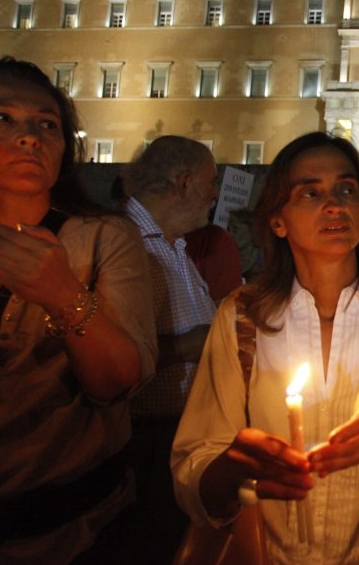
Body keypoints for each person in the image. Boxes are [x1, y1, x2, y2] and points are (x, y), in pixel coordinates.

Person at [172, 132, 359, 563]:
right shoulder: (241, 315)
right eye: (311, 192)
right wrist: (235, 467)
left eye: (347, 189)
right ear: (278, 220)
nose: (335, 205)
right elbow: (196, 459)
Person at [0, 58, 156, 564]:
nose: (29, 136)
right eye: (2, 118)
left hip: (71, 531)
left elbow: (118, 382)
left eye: (47, 124)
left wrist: (61, 293)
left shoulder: (100, 238)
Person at [121, 135, 221, 562]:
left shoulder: (174, 244)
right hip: (146, 443)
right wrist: (198, 342)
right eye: (211, 182)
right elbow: (111, 351)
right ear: (185, 183)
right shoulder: (126, 244)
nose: (215, 195)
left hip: (182, 434)